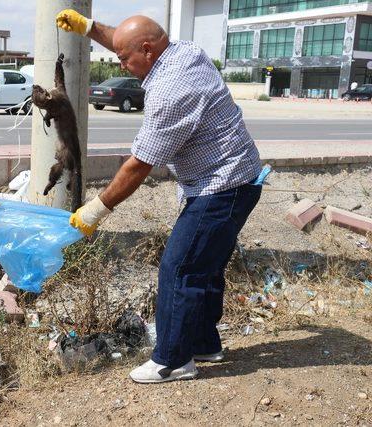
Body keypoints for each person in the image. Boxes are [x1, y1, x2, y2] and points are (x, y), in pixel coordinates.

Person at [57, 11, 263, 383]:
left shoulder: (170, 93)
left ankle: (172, 360)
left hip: (220, 186)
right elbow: (128, 41)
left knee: (179, 267)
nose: (120, 63)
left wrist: (97, 209)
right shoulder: (184, 51)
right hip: (240, 178)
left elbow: (139, 165)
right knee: (206, 264)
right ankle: (203, 342)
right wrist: (89, 29)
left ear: (148, 51)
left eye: (123, 59)